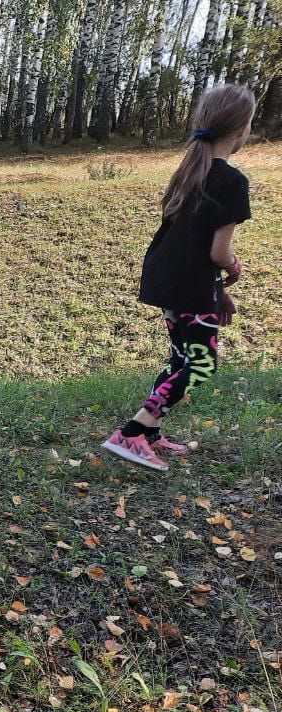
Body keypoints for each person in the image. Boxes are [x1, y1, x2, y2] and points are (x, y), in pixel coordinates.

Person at [102, 84, 254, 471]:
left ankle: (151, 435)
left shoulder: (188, 170)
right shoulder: (231, 180)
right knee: (202, 364)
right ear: (242, 130)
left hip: (169, 281)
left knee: (181, 358)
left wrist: (219, 290)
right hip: (191, 286)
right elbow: (217, 253)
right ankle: (132, 432)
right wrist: (233, 269)